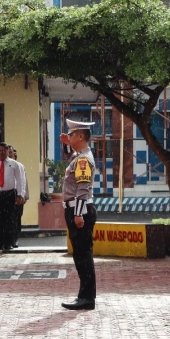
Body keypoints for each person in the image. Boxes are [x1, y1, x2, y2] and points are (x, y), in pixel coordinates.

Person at [60, 119, 98, 310]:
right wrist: (68, 145)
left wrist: (78, 214)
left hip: (79, 210)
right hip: (77, 209)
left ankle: (87, 297)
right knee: (80, 255)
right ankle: (84, 295)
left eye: (72, 134)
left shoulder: (83, 160)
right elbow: (71, 159)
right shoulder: (80, 156)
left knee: (83, 256)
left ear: (81, 136)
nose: (69, 137)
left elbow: (83, 188)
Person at [10, 146, 28, 248]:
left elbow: (24, 181)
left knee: (16, 218)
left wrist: (24, 195)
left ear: (14, 154)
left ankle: (15, 239)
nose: (8, 154)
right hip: (6, 194)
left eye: (10, 152)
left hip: (18, 194)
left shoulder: (20, 166)